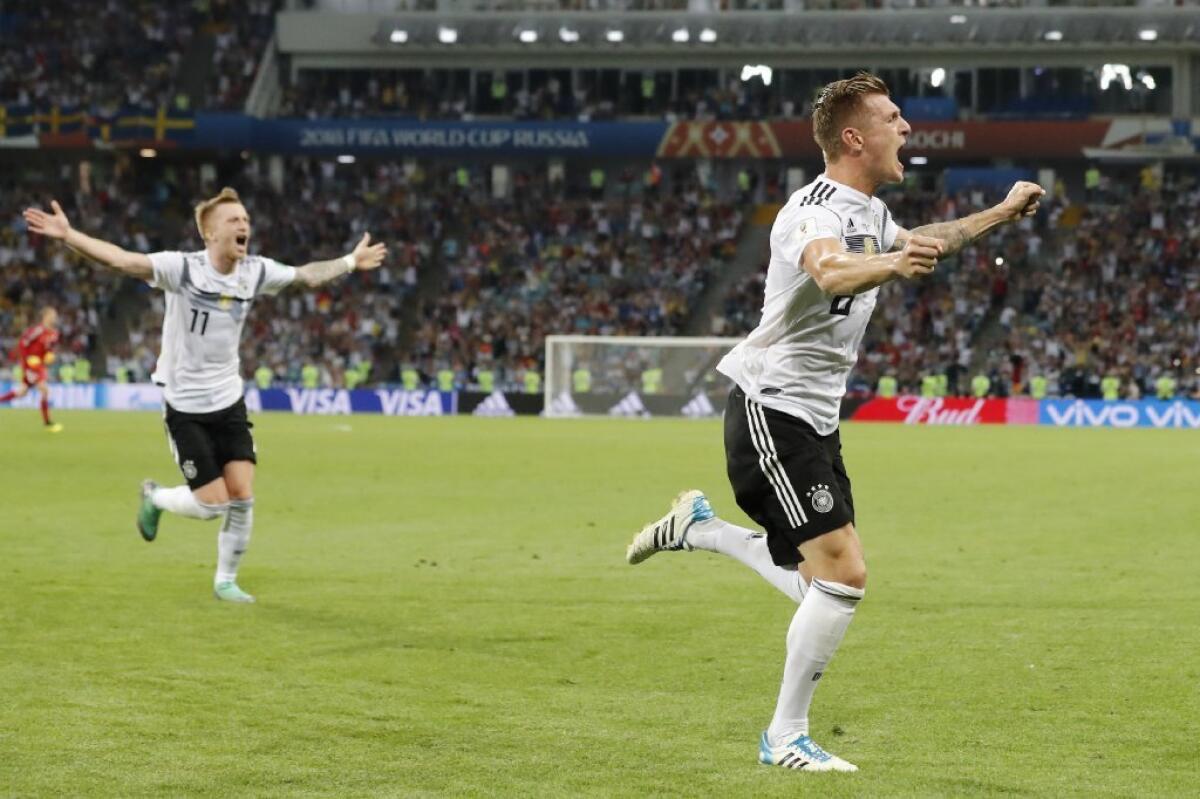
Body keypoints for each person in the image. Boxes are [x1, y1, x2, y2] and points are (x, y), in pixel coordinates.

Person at [624, 72, 1043, 773]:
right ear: (855, 137)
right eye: (893, 117)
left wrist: (999, 213)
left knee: (823, 583)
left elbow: (922, 241)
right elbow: (830, 272)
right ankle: (784, 735)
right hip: (771, 408)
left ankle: (701, 529)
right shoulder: (810, 211)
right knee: (844, 572)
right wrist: (889, 262)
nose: (906, 127)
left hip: (813, 418)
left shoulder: (872, 213)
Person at [23, 188, 386, 603]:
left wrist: (350, 262)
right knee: (213, 504)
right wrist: (70, 236)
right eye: (233, 220)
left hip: (229, 401)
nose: (244, 225)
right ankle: (155, 497)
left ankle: (225, 581)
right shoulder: (183, 269)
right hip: (185, 407)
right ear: (210, 233)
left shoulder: (255, 271)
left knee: (243, 496)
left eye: (246, 219)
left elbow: (305, 274)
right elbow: (122, 261)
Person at [0, 307, 64, 432]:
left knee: (21, 392)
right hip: (31, 365)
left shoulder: (54, 333)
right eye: (52, 314)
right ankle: (47, 423)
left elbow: (49, 349)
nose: (54, 317)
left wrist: (49, 355)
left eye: (55, 315)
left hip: (40, 365)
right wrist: (28, 360)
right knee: (44, 390)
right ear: (45, 316)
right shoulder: (37, 330)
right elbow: (23, 343)